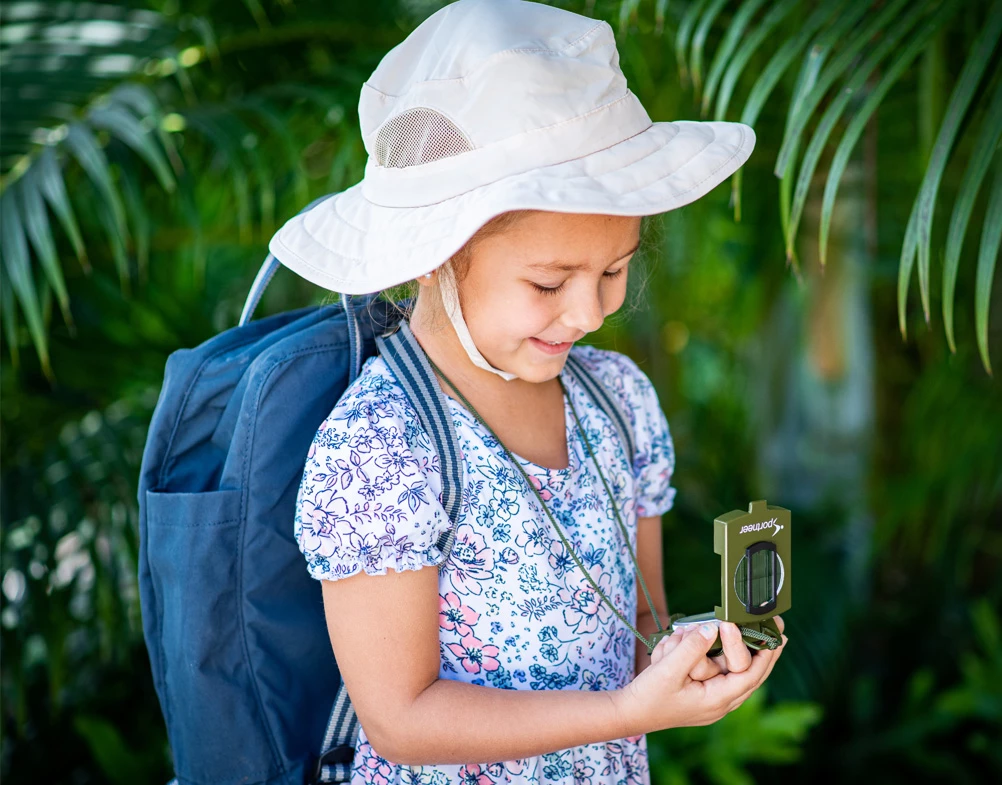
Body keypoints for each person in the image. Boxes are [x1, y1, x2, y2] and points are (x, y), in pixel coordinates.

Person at [270, 2, 787, 783]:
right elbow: (402, 717)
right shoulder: (382, 448)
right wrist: (624, 714)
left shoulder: (617, 401)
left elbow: (636, 621)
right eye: (550, 282)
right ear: (434, 258)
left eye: (614, 270)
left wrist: (685, 663)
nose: (589, 313)